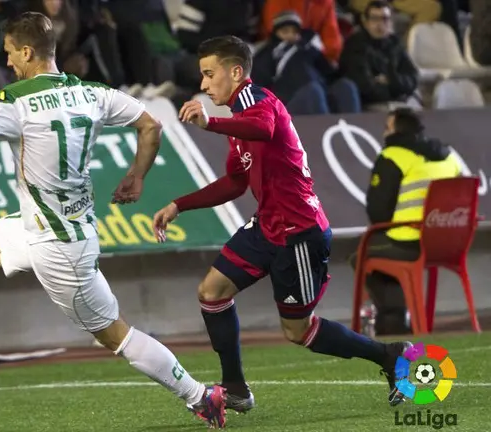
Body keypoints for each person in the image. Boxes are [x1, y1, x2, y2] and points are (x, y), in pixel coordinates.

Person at [0, 12, 227, 428]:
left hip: (61, 250)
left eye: (10, 53)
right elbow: (151, 125)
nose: (7, 63)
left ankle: (201, 396)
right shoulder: (91, 93)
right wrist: (136, 176)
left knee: (117, 336)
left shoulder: (15, 100)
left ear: (27, 52)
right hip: (47, 226)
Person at [151, 35, 412, 416]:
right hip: (266, 225)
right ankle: (236, 388)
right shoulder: (240, 120)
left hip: (299, 233)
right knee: (212, 291)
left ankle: (390, 355)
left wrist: (210, 123)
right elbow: (236, 182)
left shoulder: (260, 103)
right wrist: (179, 204)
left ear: (236, 72)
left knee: (298, 331)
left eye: (209, 74)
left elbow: (265, 129)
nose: (204, 85)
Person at [351, 107, 462, 336]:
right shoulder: (449, 156)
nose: (383, 133)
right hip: (449, 243)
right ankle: (398, 318)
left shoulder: (393, 155)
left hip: (407, 242)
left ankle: (395, 318)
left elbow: (378, 212)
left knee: (361, 255)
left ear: (396, 130)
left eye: (386, 127)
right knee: (380, 252)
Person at [339, 1, 419, 109]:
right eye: (374, 19)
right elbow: (365, 87)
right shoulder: (355, 45)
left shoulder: (395, 43)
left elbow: (413, 78)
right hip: (370, 106)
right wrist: (396, 87)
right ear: (366, 22)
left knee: (417, 109)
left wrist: (389, 79)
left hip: (398, 100)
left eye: (384, 19)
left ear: (390, 22)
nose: (380, 24)